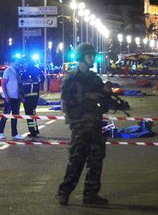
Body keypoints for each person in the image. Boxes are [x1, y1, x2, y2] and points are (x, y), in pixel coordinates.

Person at [57, 43, 109, 206]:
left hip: (95, 125)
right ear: (81, 58)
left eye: (93, 55)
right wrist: (88, 96)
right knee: (76, 160)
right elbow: (66, 102)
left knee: (96, 161)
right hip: (80, 126)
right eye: (89, 56)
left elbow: (103, 101)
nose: (92, 58)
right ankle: (64, 192)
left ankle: (91, 194)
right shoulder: (71, 78)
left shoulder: (95, 79)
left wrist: (106, 94)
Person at [0, 58, 24, 140]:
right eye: (16, 63)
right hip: (9, 97)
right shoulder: (8, 71)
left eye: (18, 64)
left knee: (15, 115)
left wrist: (20, 96)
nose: (18, 65)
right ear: (12, 63)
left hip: (16, 97)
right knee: (6, 115)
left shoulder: (17, 72)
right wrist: (6, 96)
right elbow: (3, 84)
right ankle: (0, 132)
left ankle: (15, 133)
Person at [20, 57, 45, 138]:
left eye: (25, 63)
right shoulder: (36, 70)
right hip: (34, 96)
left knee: (29, 114)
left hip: (28, 97)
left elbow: (22, 85)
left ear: (28, 62)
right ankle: (35, 130)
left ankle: (33, 131)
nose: (24, 65)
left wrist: (22, 97)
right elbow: (42, 79)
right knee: (32, 114)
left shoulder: (26, 72)